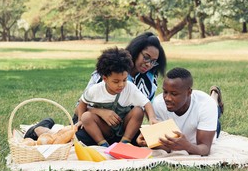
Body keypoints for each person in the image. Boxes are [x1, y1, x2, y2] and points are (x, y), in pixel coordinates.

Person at [24, 32, 167, 141]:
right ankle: (41, 130)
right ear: (136, 51)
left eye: (153, 61)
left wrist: (152, 122)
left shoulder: (150, 78)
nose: (148, 64)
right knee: (76, 140)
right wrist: (101, 112)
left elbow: (144, 106)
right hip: (93, 121)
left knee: (140, 141)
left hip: (123, 126)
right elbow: (80, 106)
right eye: (146, 57)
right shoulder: (107, 72)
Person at [75, 47, 159, 147]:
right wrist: (80, 120)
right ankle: (102, 143)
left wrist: (152, 118)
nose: (121, 85)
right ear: (105, 78)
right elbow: (82, 104)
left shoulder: (130, 87)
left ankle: (125, 142)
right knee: (86, 117)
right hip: (104, 129)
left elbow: (146, 103)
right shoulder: (95, 90)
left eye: (124, 80)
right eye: (116, 81)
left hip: (123, 128)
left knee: (138, 111)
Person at [136, 67, 224, 156]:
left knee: (214, 111)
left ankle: (215, 97)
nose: (167, 98)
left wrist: (187, 146)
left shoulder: (206, 104)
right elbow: (167, 147)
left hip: (204, 122)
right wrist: (149, 141)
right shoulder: (158, 104)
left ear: (189, 92)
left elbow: (205, 149)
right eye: (165, 92)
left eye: (174, 94)